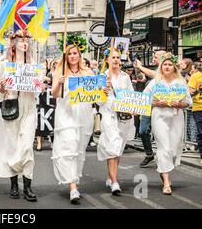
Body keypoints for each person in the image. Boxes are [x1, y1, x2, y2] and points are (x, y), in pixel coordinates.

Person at [0, 30, 38, 202]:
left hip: (28, 108)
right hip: (12, 106)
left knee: (27, 146)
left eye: (27, 40)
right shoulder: (5, 64)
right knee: (12, 147)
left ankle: (27, 186)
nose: (24, 43)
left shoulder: (33, 64)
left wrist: (39, 83)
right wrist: (2, 87)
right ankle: (13, 184)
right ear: (14, 44)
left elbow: (39, 88)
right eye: (21, 40)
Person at [51, 45, 94, 204]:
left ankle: (74, 178)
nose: (73, 56)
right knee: (69, 146)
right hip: (66, 115)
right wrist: (59, 83)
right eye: (69, 54)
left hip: (83, 115)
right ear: (66, 57)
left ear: (80, 55)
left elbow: (95, 92)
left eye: (75, 53)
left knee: (78, 149)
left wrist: (104, 89)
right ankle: (73, 187)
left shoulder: (87, 72)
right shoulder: (60, 72)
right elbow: (54, 94)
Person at [144, 53, 192, 194]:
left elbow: (188, 102)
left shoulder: (181, 83)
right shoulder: (155, 83)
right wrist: (157, 103)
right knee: (164, 147)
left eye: (170, 64)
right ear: (161, 66)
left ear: (174, 67)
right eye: (165, 64)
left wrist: (179, 104)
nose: (167, 66)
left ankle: (162, 167)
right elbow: (145, 99)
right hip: (159, 117)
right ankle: (166, 182)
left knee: (174, 148)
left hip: (176, 118)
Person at [98, 49, 135, 196]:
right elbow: (98, 101)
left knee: (118, 148)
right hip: (109, 115)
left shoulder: (125, 77)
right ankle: (114, 182)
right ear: (107, 59)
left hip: (123, 117)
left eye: (118, 57)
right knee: (112, 146)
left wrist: (134, 108)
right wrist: (104, 92)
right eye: (112, 57)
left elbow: (131, 96)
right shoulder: (102, 77)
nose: (115, 60)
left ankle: (110, 176)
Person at [134, 50, 166, 167]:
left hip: (162, 108)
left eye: (156, 57)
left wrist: (140, 66)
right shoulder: (156, 71)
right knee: (142, 131)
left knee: (160, 133)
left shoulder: (167, 70)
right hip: (148, 105)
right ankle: (149, 154)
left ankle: (163, 157)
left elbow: (155, 75)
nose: (153, 58)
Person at [188, 61, 202, 164]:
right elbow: (190, 92)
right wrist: (198, 89)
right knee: (201, 133)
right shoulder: (195, 76)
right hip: (199, 108)